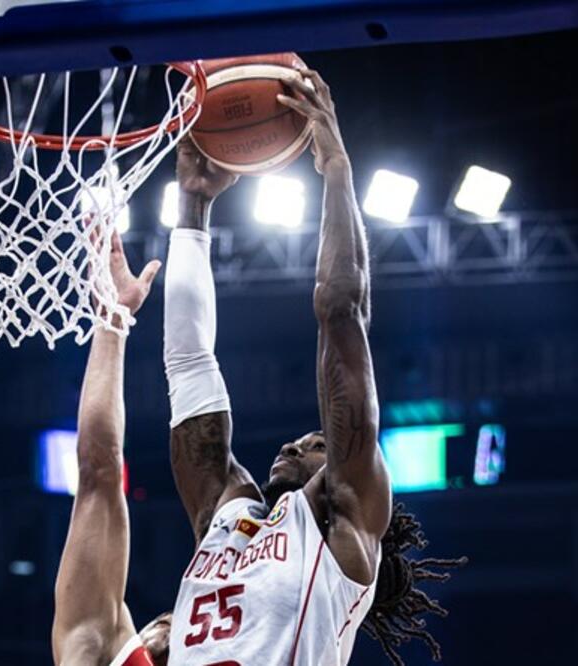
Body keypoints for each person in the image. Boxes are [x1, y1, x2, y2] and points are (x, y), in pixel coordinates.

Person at [162, 66, 464, 666]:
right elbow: (189, 362)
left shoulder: (344, 533)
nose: (296, 443)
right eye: (307, 440)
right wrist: (192, 206)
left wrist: (337, 170)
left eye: (319, 443)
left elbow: (341, 313)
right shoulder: (225, 516)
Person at [51, 231, 171, 666]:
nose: (176, 627)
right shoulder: (105, 640)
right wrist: (112, 323)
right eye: (166, 622)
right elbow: (99, 471)